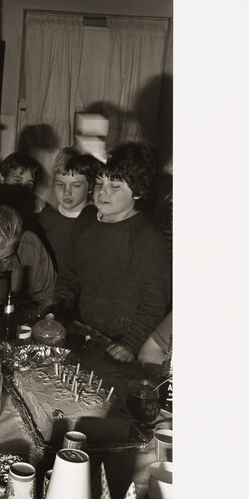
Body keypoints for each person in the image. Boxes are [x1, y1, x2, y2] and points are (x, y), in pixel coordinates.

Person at [51, 142, 171, 363]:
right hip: (82, 330)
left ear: (138, 191)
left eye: (115, 186)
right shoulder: (86, 219)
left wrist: (131, 345)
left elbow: (154, 303)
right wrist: (58, 313)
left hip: (121, 341)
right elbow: (68, 277)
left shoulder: (147, 238)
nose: (102, 192)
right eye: (98, 183)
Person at [37, 148, 99, 273]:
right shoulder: (45, 218)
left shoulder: (96, 222)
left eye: (76, 185)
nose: (66, 192)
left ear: (90, 186)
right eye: (60, 184)